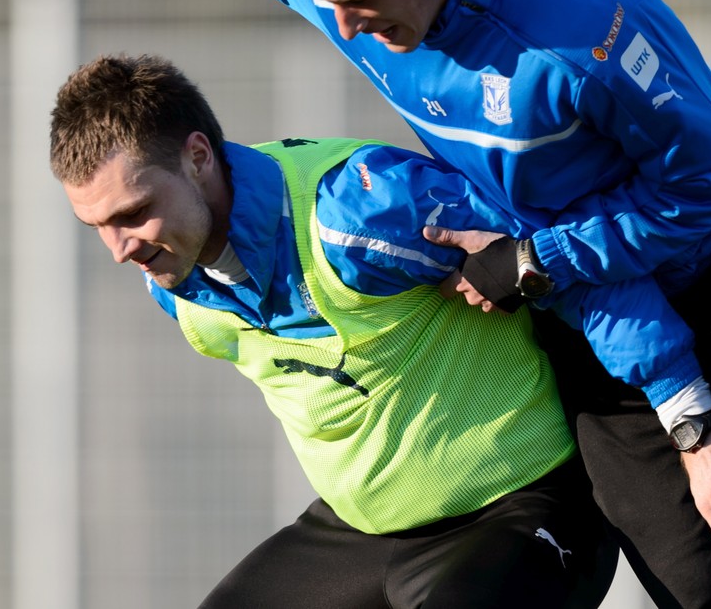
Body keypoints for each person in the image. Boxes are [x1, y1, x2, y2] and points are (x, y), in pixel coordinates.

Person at [192, 0, 711, 605]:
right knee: (702, 586)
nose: (348, 28)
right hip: (602, 319)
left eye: (358, 2)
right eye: (331, 5)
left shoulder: (584, 29)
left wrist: (535, 258)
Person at [49, 53, 622, 609]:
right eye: (96, 225)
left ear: (197, 156)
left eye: (133, 211)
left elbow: (570, 246)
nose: (120, 250)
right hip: (361, 533)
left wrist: (682, 419)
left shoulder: (359, 213)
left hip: (519, 507)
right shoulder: (171, 276)